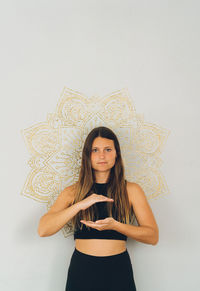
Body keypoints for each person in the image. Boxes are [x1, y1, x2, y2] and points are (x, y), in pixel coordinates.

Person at [38, 126, 159, 291]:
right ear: (87, 155)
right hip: (82, 270)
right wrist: (79, 204)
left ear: (117, 153)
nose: (102, 155)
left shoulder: (131, 190)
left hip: (118, 270)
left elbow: (152, 236)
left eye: (108, 149)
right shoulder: (73, 192)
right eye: (95, 150)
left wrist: (116, 226)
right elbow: (43, 229)